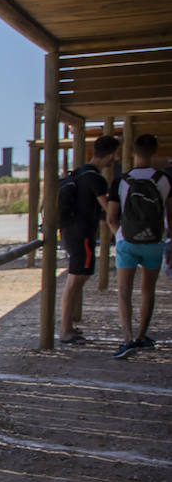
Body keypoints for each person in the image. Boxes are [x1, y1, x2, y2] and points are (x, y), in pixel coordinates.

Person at [106, 134, 171, 359]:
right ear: (154, 152)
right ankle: (142, 335)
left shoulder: (121, 181)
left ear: (133, 152)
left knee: (124, 291)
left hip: (128, 241)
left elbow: (112, 218)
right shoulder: (165, 180)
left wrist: (122, 237)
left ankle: (127, 338)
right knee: (147, 291)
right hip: (154, 241)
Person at [58, 135, 119, 344]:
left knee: (76, 280)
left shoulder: (79, 172)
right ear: (111, 154)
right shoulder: (96, 179)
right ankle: (65, 330)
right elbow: (109, 211)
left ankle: (68, 327)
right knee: (75, 281)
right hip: (81, 235)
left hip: (71, 232)